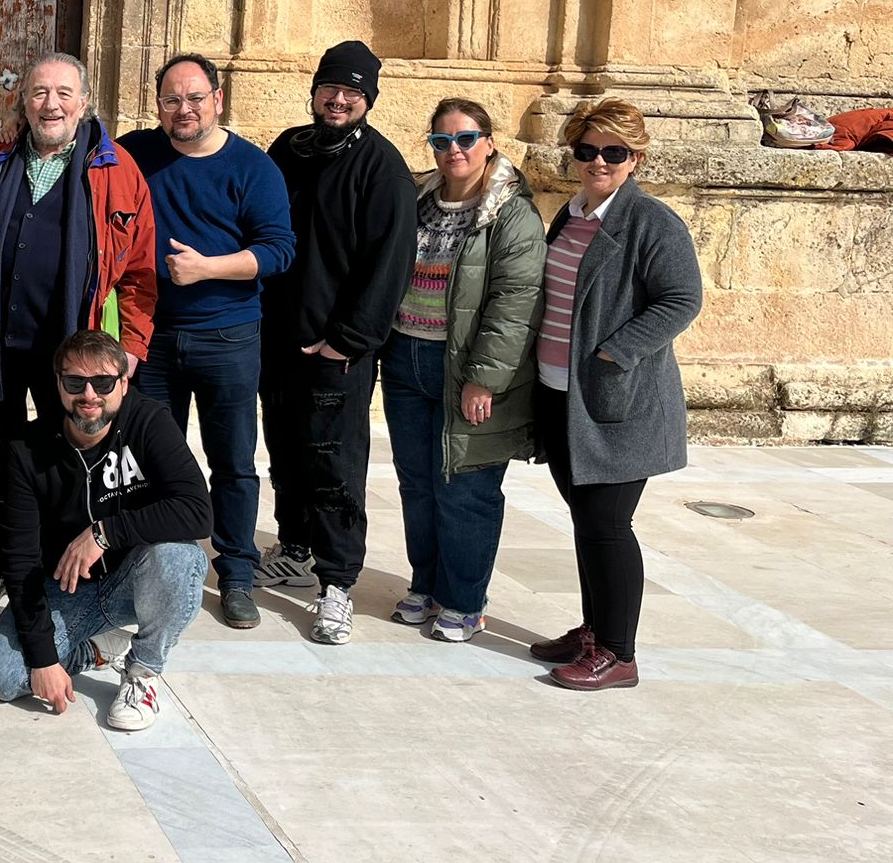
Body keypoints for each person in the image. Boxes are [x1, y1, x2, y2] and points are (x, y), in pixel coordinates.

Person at [528, 99, 702, 690]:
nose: (598, 161)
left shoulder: (652, 222)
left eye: (614, 152)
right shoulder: (571, 215)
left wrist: (615, 351)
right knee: (586, 522)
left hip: (616, 402)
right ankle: (595, 629)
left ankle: (619, 654)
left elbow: (681, 299)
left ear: (636, 157)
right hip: (561, 396)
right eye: (587, 150)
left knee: (607, 525)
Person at [120, 53, 295, 630]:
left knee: (234, 461)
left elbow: (278, 249)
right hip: (153, 338)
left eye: (195, 97)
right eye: (171, 99)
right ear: (158, 104)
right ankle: (151, 563)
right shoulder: (137, 153)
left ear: (217, 99)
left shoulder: (253, 166)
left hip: (228, 335)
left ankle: (237, 574)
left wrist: (210, 268)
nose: (184, 109)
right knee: (147, 459)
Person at [257, 41, 417, 646]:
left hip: (337, 349)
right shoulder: (289, 148)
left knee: (333, 462)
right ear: (316, 89)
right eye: (331, 87)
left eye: (353, 91)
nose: (340, 98)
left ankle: (337, 583)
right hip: (280, 339)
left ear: (368, 100)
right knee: (287, 451)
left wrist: (347, 340)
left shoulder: (382, 168)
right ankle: (295, 548)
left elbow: (390, 264)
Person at [0, 330, 212, 730]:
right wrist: (44, 658)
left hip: (135, 581)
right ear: (58, 385)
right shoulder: (27, 450)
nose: (89, 395)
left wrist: (104, 532)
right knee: (0, 677)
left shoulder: (149, 422)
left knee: (177, 554)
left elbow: (198, 512)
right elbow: (19, 560)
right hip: (66, 588)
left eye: (102, 383)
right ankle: (98, 650)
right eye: (75, 383)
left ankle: (142, 673)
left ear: (123, 384)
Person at [378, 98, 545, 644]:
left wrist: (485, 378)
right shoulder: (420, 198)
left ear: (489, 143)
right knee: (418, 483)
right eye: (442, 141)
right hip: (407, 357)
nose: (454, 151)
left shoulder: (511, 213)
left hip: (465, 368)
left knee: (465, 489)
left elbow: (515, 301)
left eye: (466, 139)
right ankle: (426, 583)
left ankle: (466, 600)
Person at [0, 52, 156, 432]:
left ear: (84, 103)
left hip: (72, 345)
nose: (51, 104)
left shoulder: (117, 171)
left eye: (64, 93)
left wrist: (131, 347)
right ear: (24, 103)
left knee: (64, 456)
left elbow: (139, 272)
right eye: (39, 93)